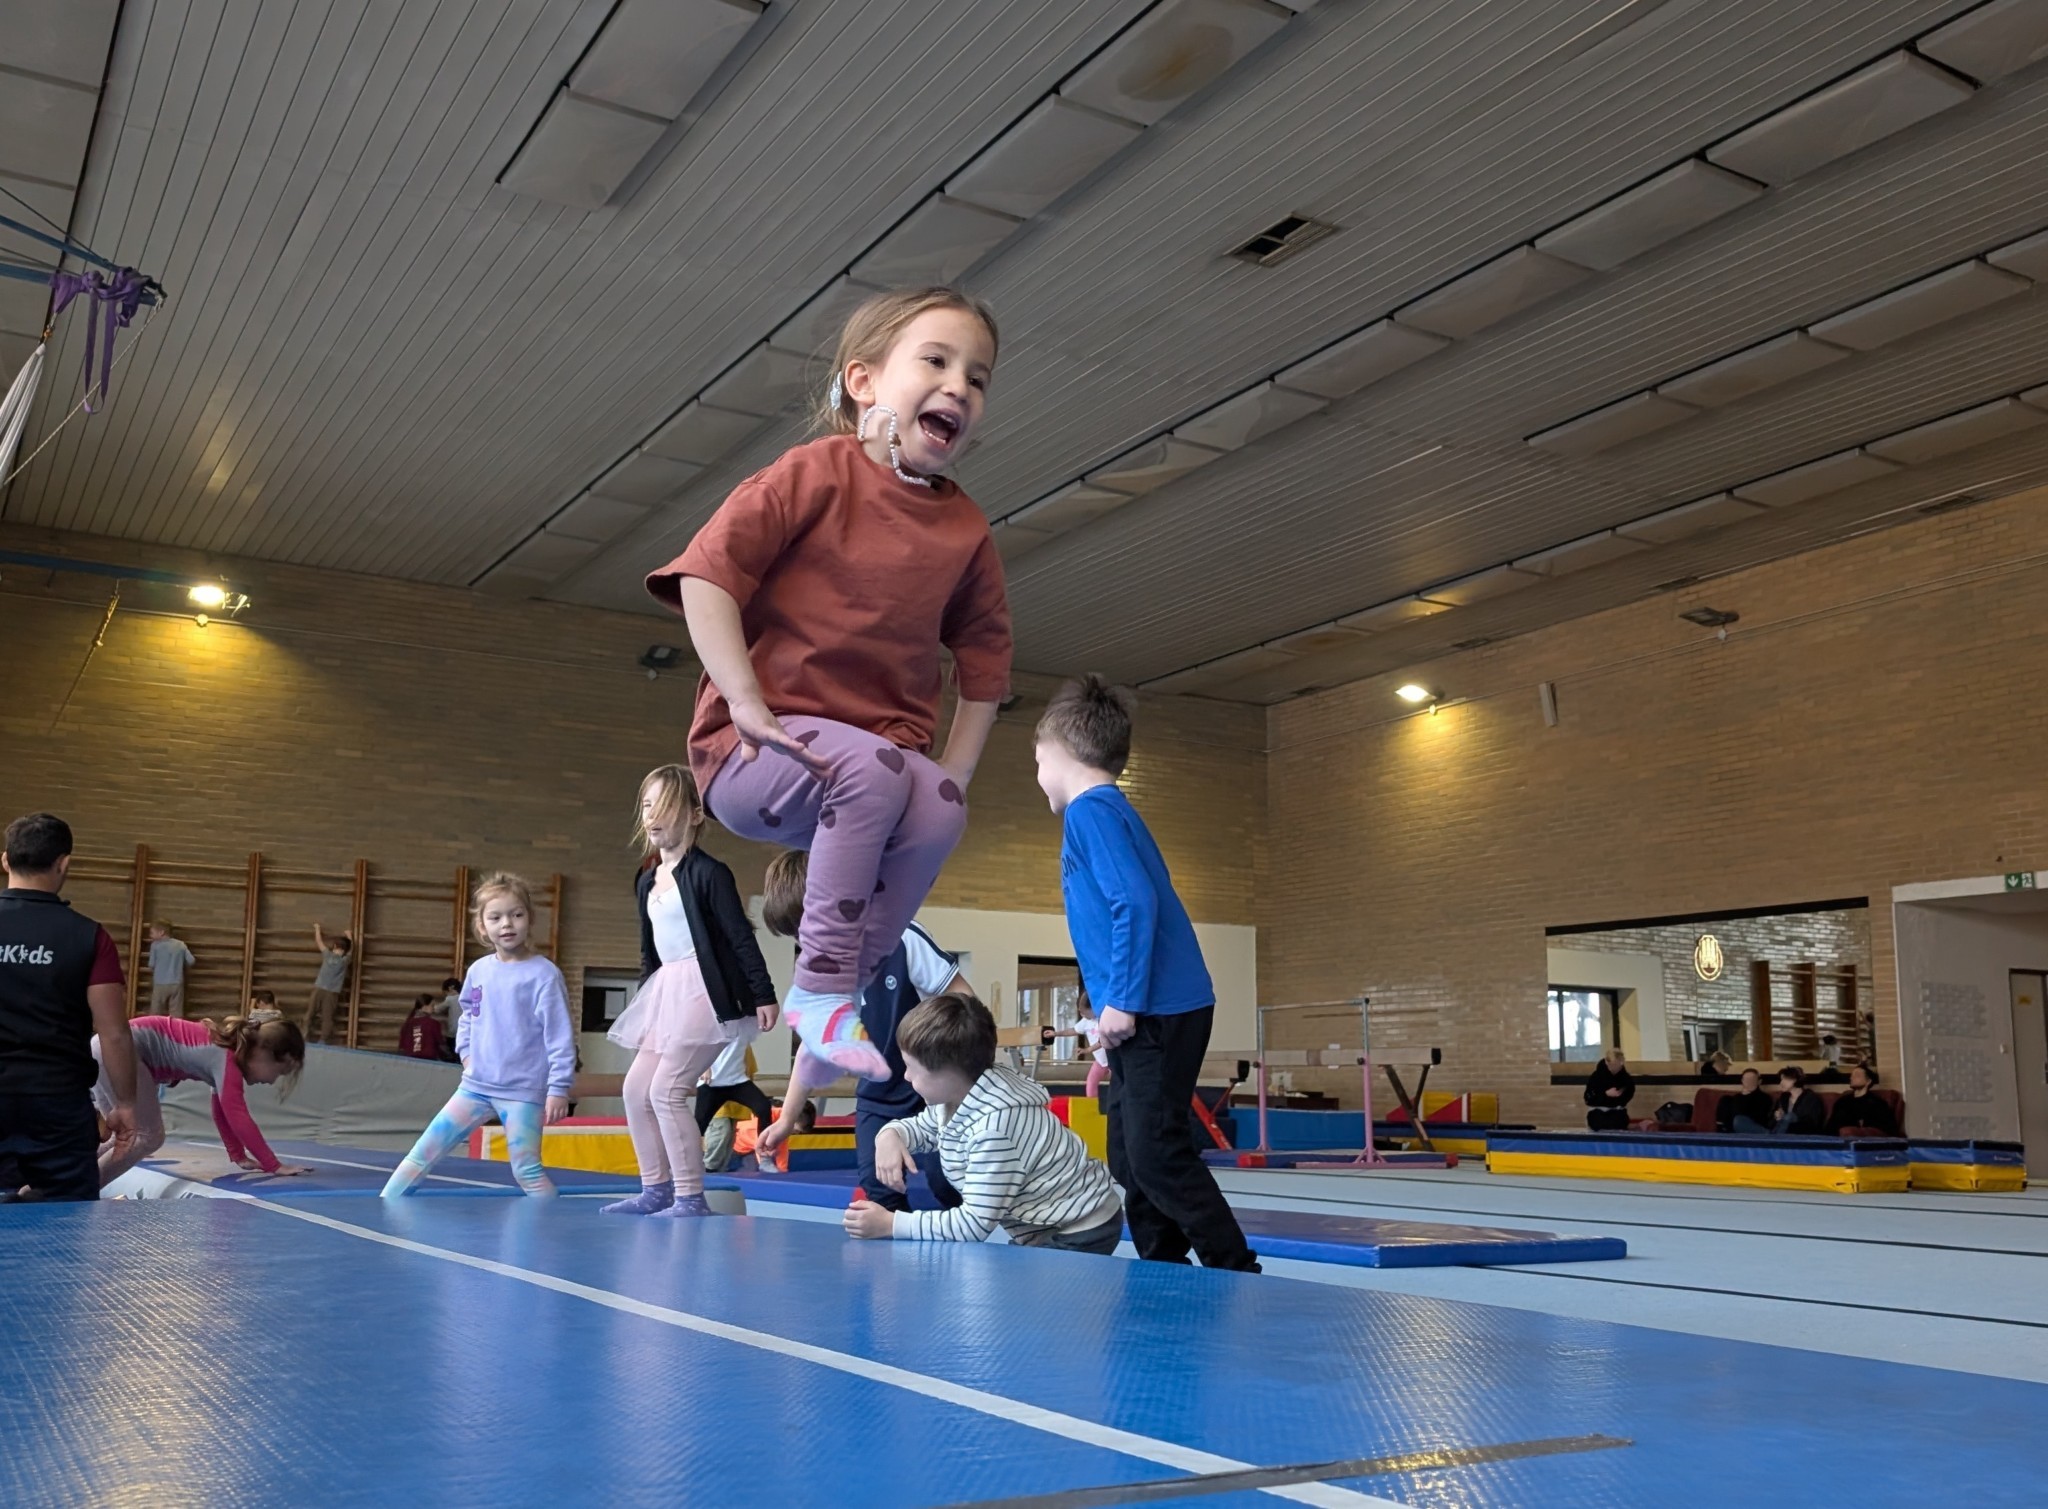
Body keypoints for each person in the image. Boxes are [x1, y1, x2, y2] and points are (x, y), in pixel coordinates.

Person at [646, 286, 1011, 1112]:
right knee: (877, 769)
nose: (959, 386)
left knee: (939, 809)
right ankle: (817, 989)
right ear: (863, 380)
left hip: (872, 766)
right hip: (755, 750)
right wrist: (743, 699)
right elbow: (706, 575)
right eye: (936, 361)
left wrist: (953, 773)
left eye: (978, 377)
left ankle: (834, 1003)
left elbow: (987, 658)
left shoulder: (965, 530)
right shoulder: (813, 473)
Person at [1033, 676, 1258, 1272]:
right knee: (1130, 1157)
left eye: (1037, 761)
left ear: (1063, 753)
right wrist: (1107, 1011)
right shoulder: (1103, 813)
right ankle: (1162, 1266)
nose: (1037, 775)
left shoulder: (1091, 812)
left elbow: (1133, 902)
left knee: (1157, 1152)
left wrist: (1124, 1002)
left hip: (1157, 1009)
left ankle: (1235, 1268)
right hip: (1146, 1012)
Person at [601, 765, 779, 1218]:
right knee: (635, 1090)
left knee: (667, 1090)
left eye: (665, 807)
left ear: (696, 815)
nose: (652, 816)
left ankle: (689, 1195)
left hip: (705, 988)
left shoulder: (710, 873)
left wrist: (763, 993)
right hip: (666, 989)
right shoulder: (646, 879)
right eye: (646, 806)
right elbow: (649, 950)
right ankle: (655, 1188)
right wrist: (647, 1005)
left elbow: (740, 936)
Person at [755, 847, 966, 1212]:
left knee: (946, 1181)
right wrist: (787, 1119)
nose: (808, 946)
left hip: (934, 1093)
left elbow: (966, 1002)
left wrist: (955, 1069)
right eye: (798, 939)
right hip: (878, 1100)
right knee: (880, 1190)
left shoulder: (901, 938)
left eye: (811, 931)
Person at [844, 993, 1123, 1252]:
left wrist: (892, 1223)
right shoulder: (962, 1093)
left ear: (947, 1074)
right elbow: (922, 1127)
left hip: (1079, 1227)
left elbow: (972, 1225)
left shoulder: (993, 1130)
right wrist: (890, 1135)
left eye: (912, 1069)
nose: (906, 1077)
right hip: (1046, 1223)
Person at [382, 874, 574, 1197]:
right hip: (476, 1087)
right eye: (495, 917)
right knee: (421, 1153)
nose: (507, 924)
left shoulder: (543, 975)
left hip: (522, 1092)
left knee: (526, 1171)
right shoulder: (479, 971)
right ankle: (385, 1205)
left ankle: (550, 1221)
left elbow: (559, 1036)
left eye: (516, 914)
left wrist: (558, 1088)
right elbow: (468, 1015)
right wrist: (466, 1053)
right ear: (482, 927)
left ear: (530, 919)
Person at [0, 813, 138, 1202]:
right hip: (56, 1104)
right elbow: (113, 1032)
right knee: (67, 1216)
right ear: (64, 864)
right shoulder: (89, 937)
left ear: (5, 860)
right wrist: (126, 1103)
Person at [93, 1015, 312, 1184]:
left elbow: (221, 1113)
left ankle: (75, 1180)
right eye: (279, 1072)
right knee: (149, 1137)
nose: (272, 1081)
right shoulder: (225, 1061)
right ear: (264, 1053)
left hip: (102, 1047)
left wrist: (238, 1155)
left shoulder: (222, 1055)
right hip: (120, 1049)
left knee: (123, 1136)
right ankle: (85, 1190)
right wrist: (273, 1165)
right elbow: (239, 1118)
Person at [695, 1039, 776, 1175]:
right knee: (699, 1126)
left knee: (763, 1107)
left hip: (737, 1081)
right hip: (712, 1083)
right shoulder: (714, 1030)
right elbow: (698, 1041)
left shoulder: (744, 1031)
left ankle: (765, 1158)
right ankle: (687, 1163)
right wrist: (704, 1066)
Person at [306, 924, 353, 1044]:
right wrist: (349, 936)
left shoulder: (329, 955)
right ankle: (321, 1039)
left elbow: (319, 942)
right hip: (330, 991)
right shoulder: (344, 960)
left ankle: (308, 1036)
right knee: (325, 1016)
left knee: (313, 1014)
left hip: (321, 988)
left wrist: (317, 929)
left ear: (335, 947)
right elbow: (351, 950)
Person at [1826, 1063, 1900, 1137]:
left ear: (1868, 1081)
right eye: (1851, 1075)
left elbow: (1890, 1130)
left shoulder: (1877, 1104)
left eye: (1857, 1075)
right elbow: (1829, 1128)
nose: (1851, 1078)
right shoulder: (1842, 1102)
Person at [145, 920, 195, 1018]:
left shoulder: (155, 946)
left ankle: (155, 1028)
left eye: (152, 933)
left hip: (160, 983)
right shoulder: (181, 945)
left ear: (161, 932)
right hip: (177, 983)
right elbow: (191, 960)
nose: (150, 936)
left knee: (156, 1013)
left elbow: (151, 964)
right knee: (176, 1014)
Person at [1583, 1047, 1633, 1131]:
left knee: (1620, 1120)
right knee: (1598, 1121)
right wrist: (1605, 1094)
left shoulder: (1626, 1078)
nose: (1616, 1068)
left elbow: (1628, 1095)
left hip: (1617, 1111)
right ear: (1607, 1062)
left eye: (1618, 1065)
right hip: (1598, 1111)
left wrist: (1620, 1095)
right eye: (1614, 1065)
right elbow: (1588, 1099)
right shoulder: (1596, 1077)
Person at [1717, 1067, 1775, 1134]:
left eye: (1752, 1079)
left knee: (1738, 1120)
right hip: (1734, 1131)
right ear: (1742, 1081)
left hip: (1753, 1129)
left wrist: (1749, 1095)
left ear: (1759, 1082)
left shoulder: (1764, 1097)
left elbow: (1759, 1118)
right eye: (1746, 1079)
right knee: (1725, 1100)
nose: (1749, 1082)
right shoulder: (1735, 1098)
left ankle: (1769, 1135)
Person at [1772, 1065, 1826, 1135]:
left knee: (1790, 1116)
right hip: (1778, 1131)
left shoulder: (1811, 1098)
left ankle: (1775, 1139)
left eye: (1785, 1079)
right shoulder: (1783, 1097)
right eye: (1781, 1080)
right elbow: (1772, 1122)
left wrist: (1789, 1119)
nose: (1781, 1083)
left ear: (1796, 1080)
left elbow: (1812, 1123)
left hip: (1800, 1134)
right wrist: (1777, 1116)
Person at [399, 994, 444, 1060]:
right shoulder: (433, 1023)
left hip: (409, 1060)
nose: (434, 1008)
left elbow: (402, 1045)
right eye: (432, 1005)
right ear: (424, 1007)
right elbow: (441, 1044)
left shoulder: (408, 1023)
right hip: (429, 1060)